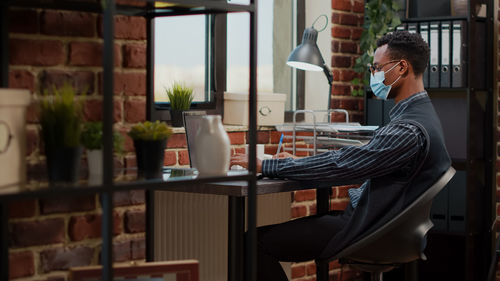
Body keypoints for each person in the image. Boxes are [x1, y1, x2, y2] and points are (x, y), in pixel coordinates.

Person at [230, 30, 451, 281]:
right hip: (385, 227)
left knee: (250, 243)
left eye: (377, 68)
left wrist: (268, 165)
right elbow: (360, 157)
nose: (374, 75)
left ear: (401, 68)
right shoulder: (424, 116)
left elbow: (343, 164)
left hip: (366, 228)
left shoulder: (408, 129)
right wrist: (297, 162)